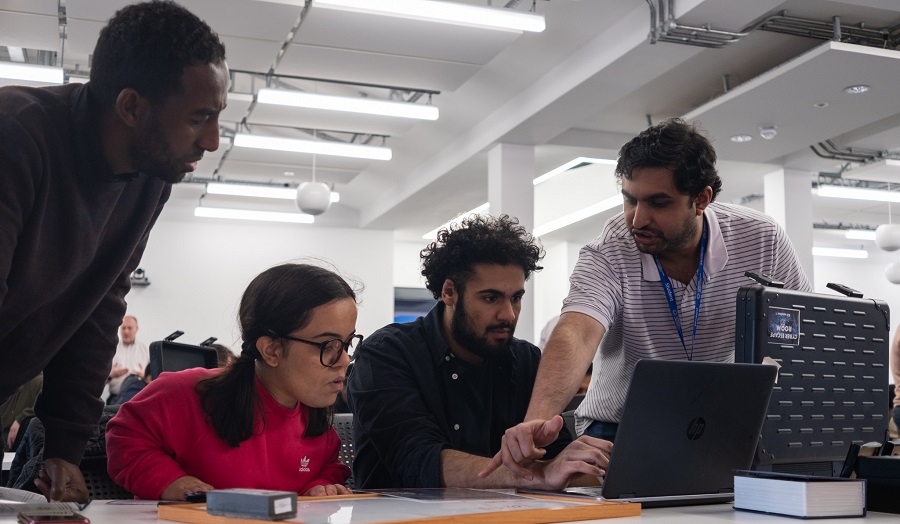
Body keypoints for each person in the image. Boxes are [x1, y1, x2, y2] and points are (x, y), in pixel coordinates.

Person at [481, 118, 811, 479]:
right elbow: (577, 331)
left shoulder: (762, 240)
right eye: (629, 199)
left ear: (701, 199)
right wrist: (536, 422)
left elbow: (803, 328)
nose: (638, 219)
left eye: (658, 202)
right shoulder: (611, 249)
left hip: (720, 425)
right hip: (617, 429)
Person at [0, 0, 227, 502]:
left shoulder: (148, 180)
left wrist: (63, 445)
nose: (212, 140)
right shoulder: (15, 136)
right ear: (131, 107)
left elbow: (99, 306)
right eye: (199, 117)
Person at [348, 215, 611, 489]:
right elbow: (419, 462)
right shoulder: (386, 355)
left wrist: (586, 464)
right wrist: (539, 476)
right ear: (449, 292)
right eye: (490, 298)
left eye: (516, 298)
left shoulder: (527, 361)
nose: (508, 314)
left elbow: (557, 458)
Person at [106, 264, 356, 500]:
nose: (344, 360)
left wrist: (318, 487)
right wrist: (168, 481)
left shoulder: (317, 423)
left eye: (347, 344)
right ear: (271, 350)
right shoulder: (192, 392)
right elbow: (124, 435)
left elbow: (329, 468)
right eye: (328, 345)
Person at [107, 316, 150, 404]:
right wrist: (111, 375)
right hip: (115, 398)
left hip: (139, 397)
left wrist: (144, 376)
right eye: (123, 328)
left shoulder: (145, 350)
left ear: (136, 329)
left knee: (132, 382)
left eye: (129, 328)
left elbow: (153, 380)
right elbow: (97, 381)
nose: (126, 331)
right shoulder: (110, 349)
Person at [1, 373, 43, 452]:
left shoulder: (38, 381)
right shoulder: (7, 382)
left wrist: (21, 418)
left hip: (17, 450)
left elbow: (51, 405)